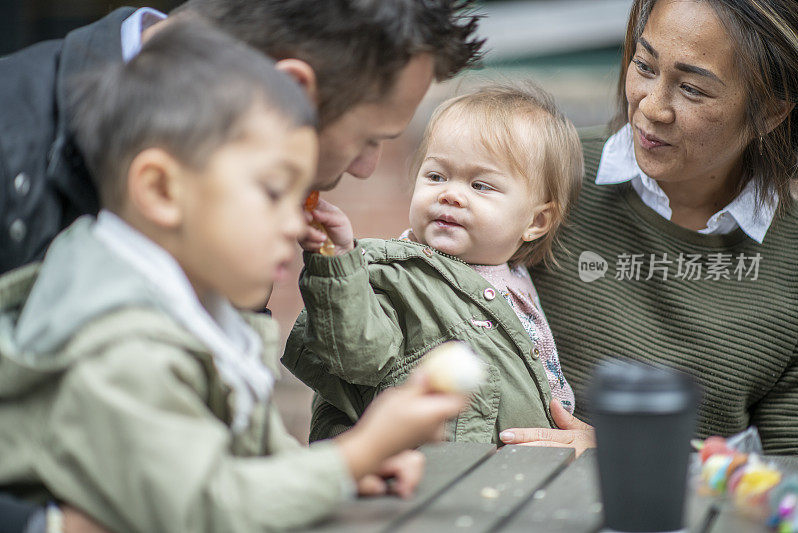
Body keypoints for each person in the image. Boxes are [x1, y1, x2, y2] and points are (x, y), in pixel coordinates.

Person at [0, 21, 468, 532]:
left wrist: (333, 474)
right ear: (160, 191)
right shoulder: (120, 346)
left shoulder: (204, 310)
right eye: (273, 192)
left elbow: (242, 468)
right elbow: (211, 511)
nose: (295, 222)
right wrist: (356, 453)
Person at [500, 0, 798, 455]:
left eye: (693, 89)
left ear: (771, 112)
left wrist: (630, 453)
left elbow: (783, 488)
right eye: (644, 65)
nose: (652, 107)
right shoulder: (537, 175)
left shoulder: (791, 263)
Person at [0, 0, 483, 273]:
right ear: (292, 89)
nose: (366, 167)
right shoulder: (12, 143)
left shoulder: (237, 165)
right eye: (368, 139)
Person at [282, 85, 584, 444]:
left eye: (480, 185)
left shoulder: (517, 280)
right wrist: (337, 261)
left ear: (536, 223)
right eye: (436, 176)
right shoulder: (391, 275)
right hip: (423, 478)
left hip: (506, 479)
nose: (450, 194)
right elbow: (356, 355)